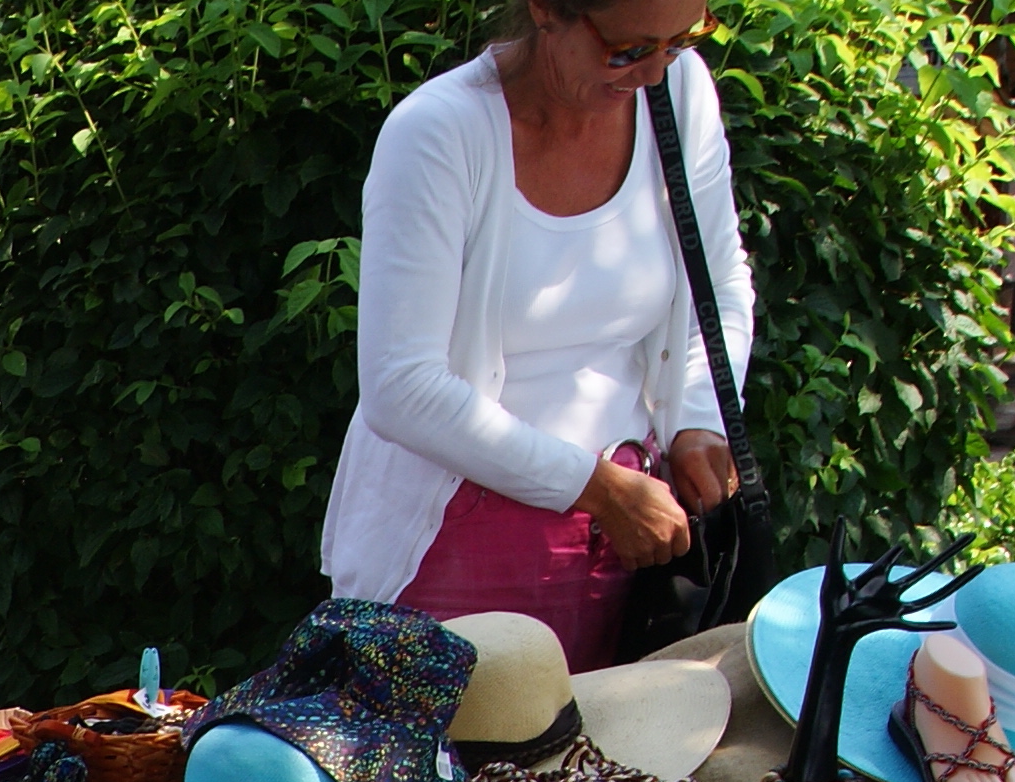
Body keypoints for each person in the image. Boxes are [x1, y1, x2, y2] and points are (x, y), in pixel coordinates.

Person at [324, 0, 755, 670]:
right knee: (446, 768)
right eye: (628, 48)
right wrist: (599, 489)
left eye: (681, 40)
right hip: (455, 539)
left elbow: (719, 282)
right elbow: (400, 386)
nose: (652, 71)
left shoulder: (681, 91)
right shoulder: (440, 132)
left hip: (629, 537)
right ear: (548, 10)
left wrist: (698, 420)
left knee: (606, 767)